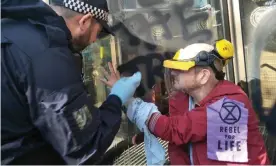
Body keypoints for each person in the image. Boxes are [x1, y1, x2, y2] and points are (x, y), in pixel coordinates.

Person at [1, 0, 141, 164]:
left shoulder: (13, 30)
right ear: (85, 21)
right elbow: (86, 146)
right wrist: (116, 99)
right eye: (100, 31)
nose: (96, 40)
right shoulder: (47, 54)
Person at [123, 39, 270, 165]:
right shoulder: (190, 99)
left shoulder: (230, 104)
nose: (173, 73)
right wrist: (147, 133)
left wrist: (128, 100)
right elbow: (183, 124)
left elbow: (177, 129)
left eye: (181, 69)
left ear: (203, 76)